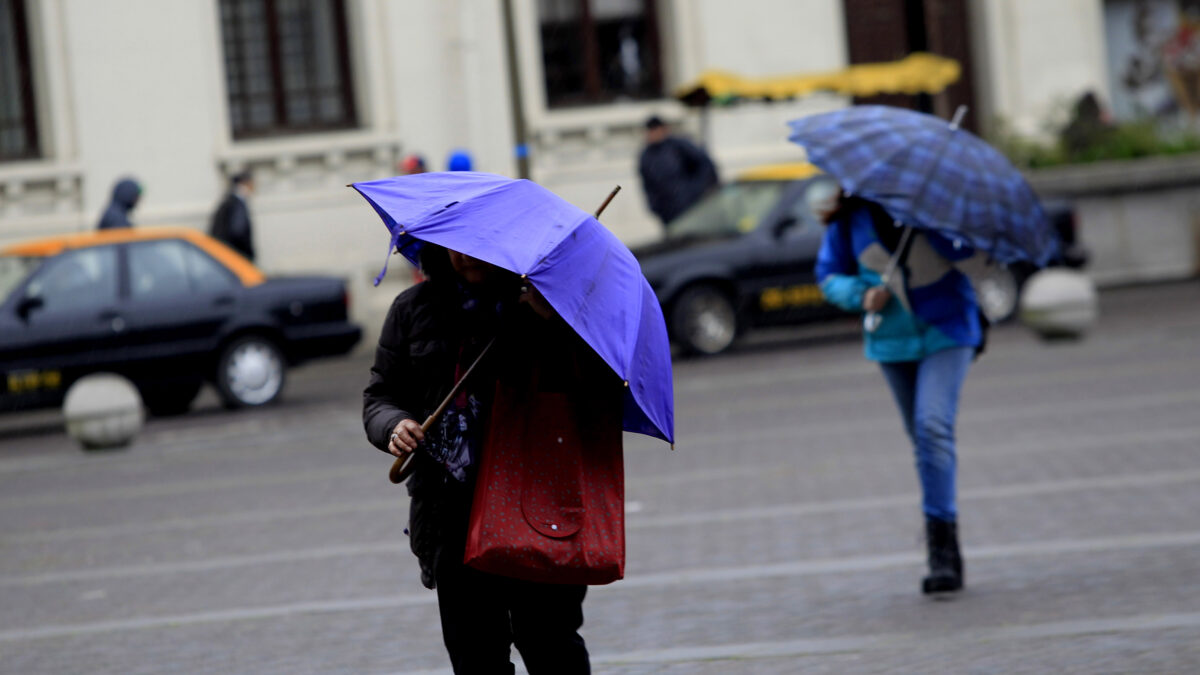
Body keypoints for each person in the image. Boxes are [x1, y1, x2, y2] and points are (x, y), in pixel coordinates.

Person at [364, 244, 611, 673]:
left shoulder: (548, 304)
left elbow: (600, 387)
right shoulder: (413, 309)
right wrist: (394, 425)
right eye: (454, 248)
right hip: (452, 515)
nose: (466, 257)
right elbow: (381, 395)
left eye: (479, 247)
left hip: (539, 504)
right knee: (475, 656)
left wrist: (552, 323)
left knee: (551, 643)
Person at [812, 187, 982, 595]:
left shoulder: (938, 207)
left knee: (932, 426)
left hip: (948, 331)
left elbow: (970, 258)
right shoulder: (851, 218)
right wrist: (860, 295)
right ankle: (942, 530)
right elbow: (829, 274)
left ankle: (943, 552)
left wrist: (932, 224)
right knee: (923, 440)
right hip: (891, 340)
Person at [637, 115, 718, 226]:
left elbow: (704, 165)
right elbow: (648, 186)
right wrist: (656, 208)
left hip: (693, 206)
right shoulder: (646, 157)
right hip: (669, 213)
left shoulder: (679, 146)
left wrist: (697, 191)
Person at [208, 171, 256, 261]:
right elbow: (238, 231)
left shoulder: (229, 200)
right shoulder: (237, 203)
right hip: (236, 256)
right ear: (245, 183)